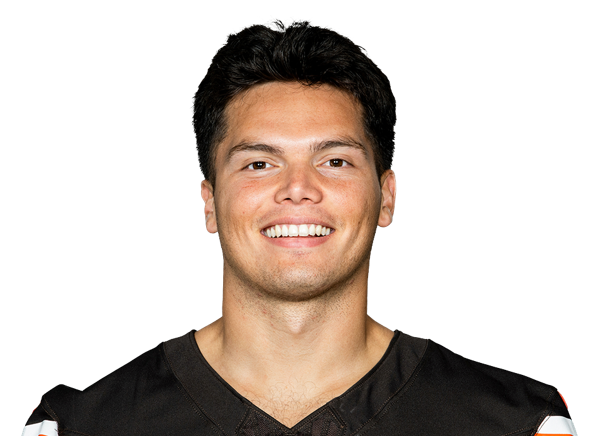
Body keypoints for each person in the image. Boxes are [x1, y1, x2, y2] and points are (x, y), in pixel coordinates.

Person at [22, 19, 576, 436]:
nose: (298, 188)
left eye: (334, 160)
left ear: (386, 197)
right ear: (209, 203)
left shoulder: (520, 425)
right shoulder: (76, 428)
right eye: (259, 163)